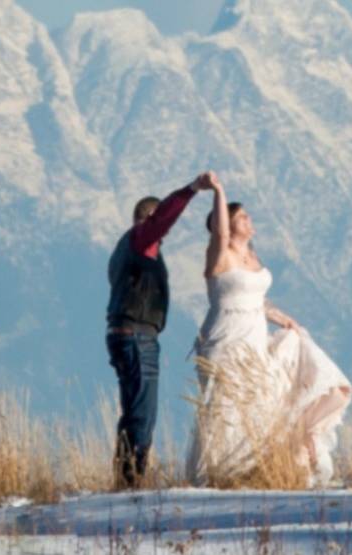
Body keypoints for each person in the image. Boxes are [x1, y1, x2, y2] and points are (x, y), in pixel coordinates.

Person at [186, 173, 352, 487]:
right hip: (227, 339)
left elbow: (253, 298)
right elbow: (220, 236)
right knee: (229, 404)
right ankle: (220, 472)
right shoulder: (220, 255)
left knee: (262, 400)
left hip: (255, 337)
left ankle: (259, 468)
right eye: (242, 217)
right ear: (226, 224)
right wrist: (218, 191)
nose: (249, 220)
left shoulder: (252, 257)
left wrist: (280, 317)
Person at [106, 172, 214, 488]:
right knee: (143, 411)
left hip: (131, 334)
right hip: (136, 335)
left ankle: (127, 477)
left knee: (134, 409)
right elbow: (163, 220)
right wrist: (192, 190)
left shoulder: (122, 249)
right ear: (150, 219)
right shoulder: (141, 240)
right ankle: (132, 480)